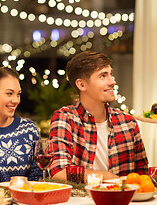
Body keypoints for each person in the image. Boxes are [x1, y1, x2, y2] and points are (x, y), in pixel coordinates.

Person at [48, 51, 148, 181]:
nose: (112, 81)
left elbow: (142, 175)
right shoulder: (65, 118)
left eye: (111, 74)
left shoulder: (128, 122)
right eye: (103, 76)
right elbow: (59, 172)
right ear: (82, 85)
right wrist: (110, 178)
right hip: (81, 200)